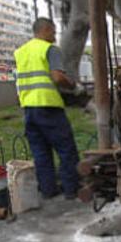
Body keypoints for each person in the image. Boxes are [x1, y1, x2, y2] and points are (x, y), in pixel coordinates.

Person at [14, 17, 85, 199]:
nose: (54, 36)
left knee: (41, 152)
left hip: (29, 108)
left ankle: (48, 190)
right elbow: (57, 78)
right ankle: (71, 189)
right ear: (45, 30)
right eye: (53, 32)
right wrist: (75, 87)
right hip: (49, 107)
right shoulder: (50, 49)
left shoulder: (21, 51)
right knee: (66, 149)